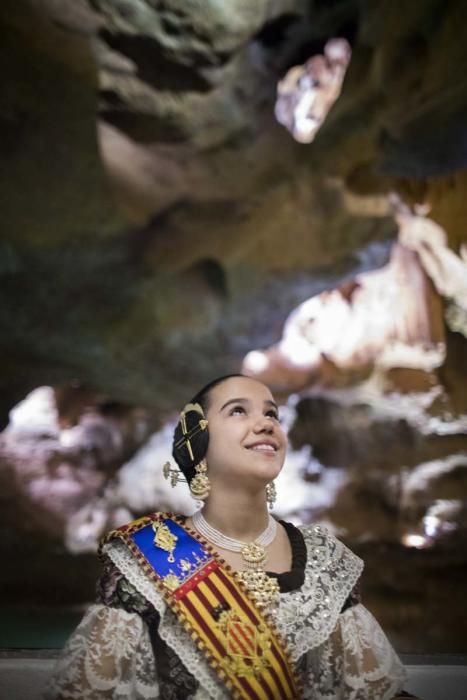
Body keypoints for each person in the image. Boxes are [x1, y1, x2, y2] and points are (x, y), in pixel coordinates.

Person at [46, 374, 417, 699]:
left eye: (272, 413)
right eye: (238, 411)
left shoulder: (323, 557)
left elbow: (375, 690)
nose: (266, 423)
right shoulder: (148, 558)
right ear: (198, 441)